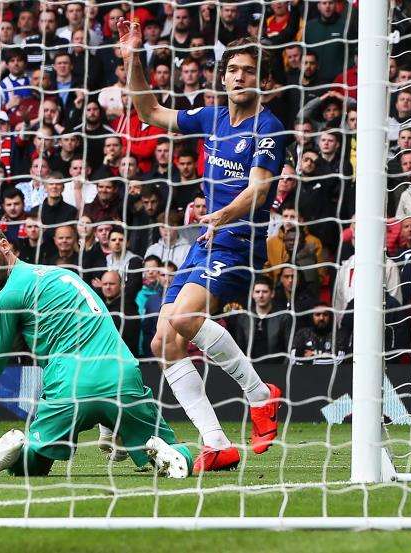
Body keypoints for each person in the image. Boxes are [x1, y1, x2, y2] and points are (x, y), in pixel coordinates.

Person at [119, 22, 284, 467]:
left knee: (185, 318)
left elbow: (258, 191)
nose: (239, 77)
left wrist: (223, 215)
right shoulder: (211, 116)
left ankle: (260, 394)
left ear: (263, 81)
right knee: (162, 342)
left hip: (240, 239)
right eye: (233, 70)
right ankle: (216, 443)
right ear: (223, 76)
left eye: (248, 71)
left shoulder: (269, 128)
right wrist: (133, 58)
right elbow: (150, 112)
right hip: (207, 240)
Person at [0, 222, 209, 479]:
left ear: (4, 245)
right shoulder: (61, 274)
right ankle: (165, 450)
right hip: (122, 375)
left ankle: (20, 450)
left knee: (33, 467)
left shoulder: (7, 296)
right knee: (173, 452)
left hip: (70, 386)